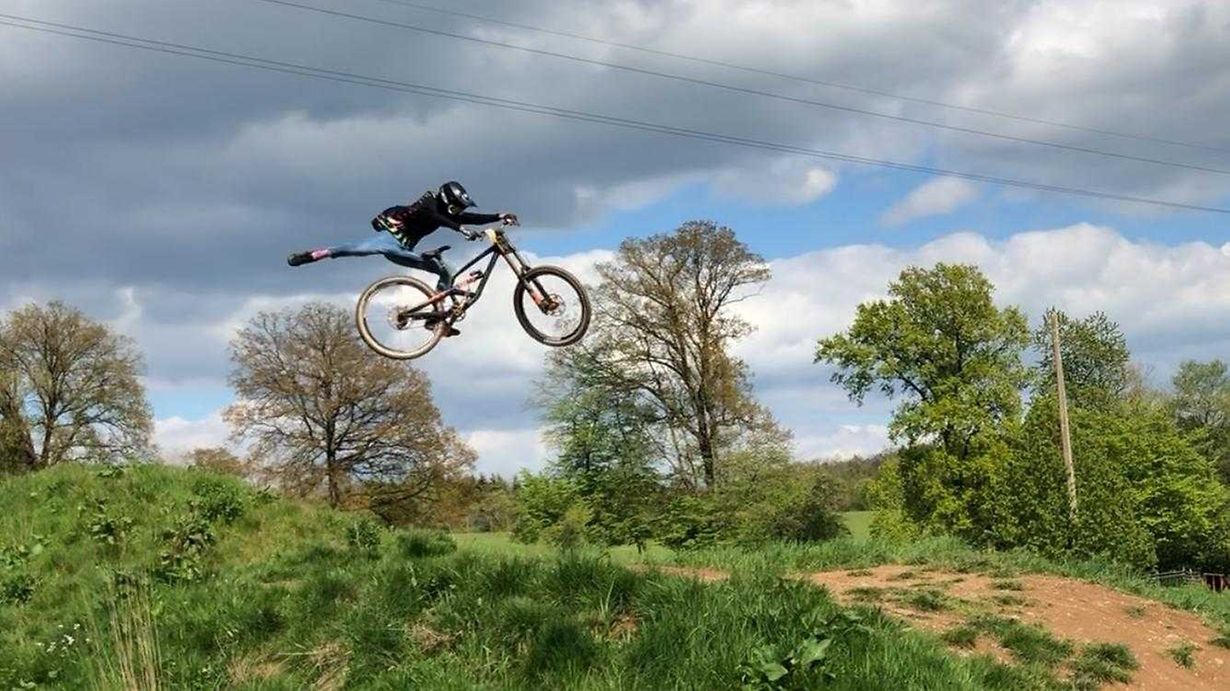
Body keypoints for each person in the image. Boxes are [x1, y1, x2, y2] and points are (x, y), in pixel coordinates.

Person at [287, 181, 518, 336]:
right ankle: (318, 254)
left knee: (447, 270)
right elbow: (434, 217)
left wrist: (499, 215)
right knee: (362, 249)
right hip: (391, 239)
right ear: (448, 200)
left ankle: (435, 318)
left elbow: (470, 218)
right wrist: (459, 229)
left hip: (406, 251)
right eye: (456, 207)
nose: (458, 212)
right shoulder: (428, 202)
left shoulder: (446, 212)